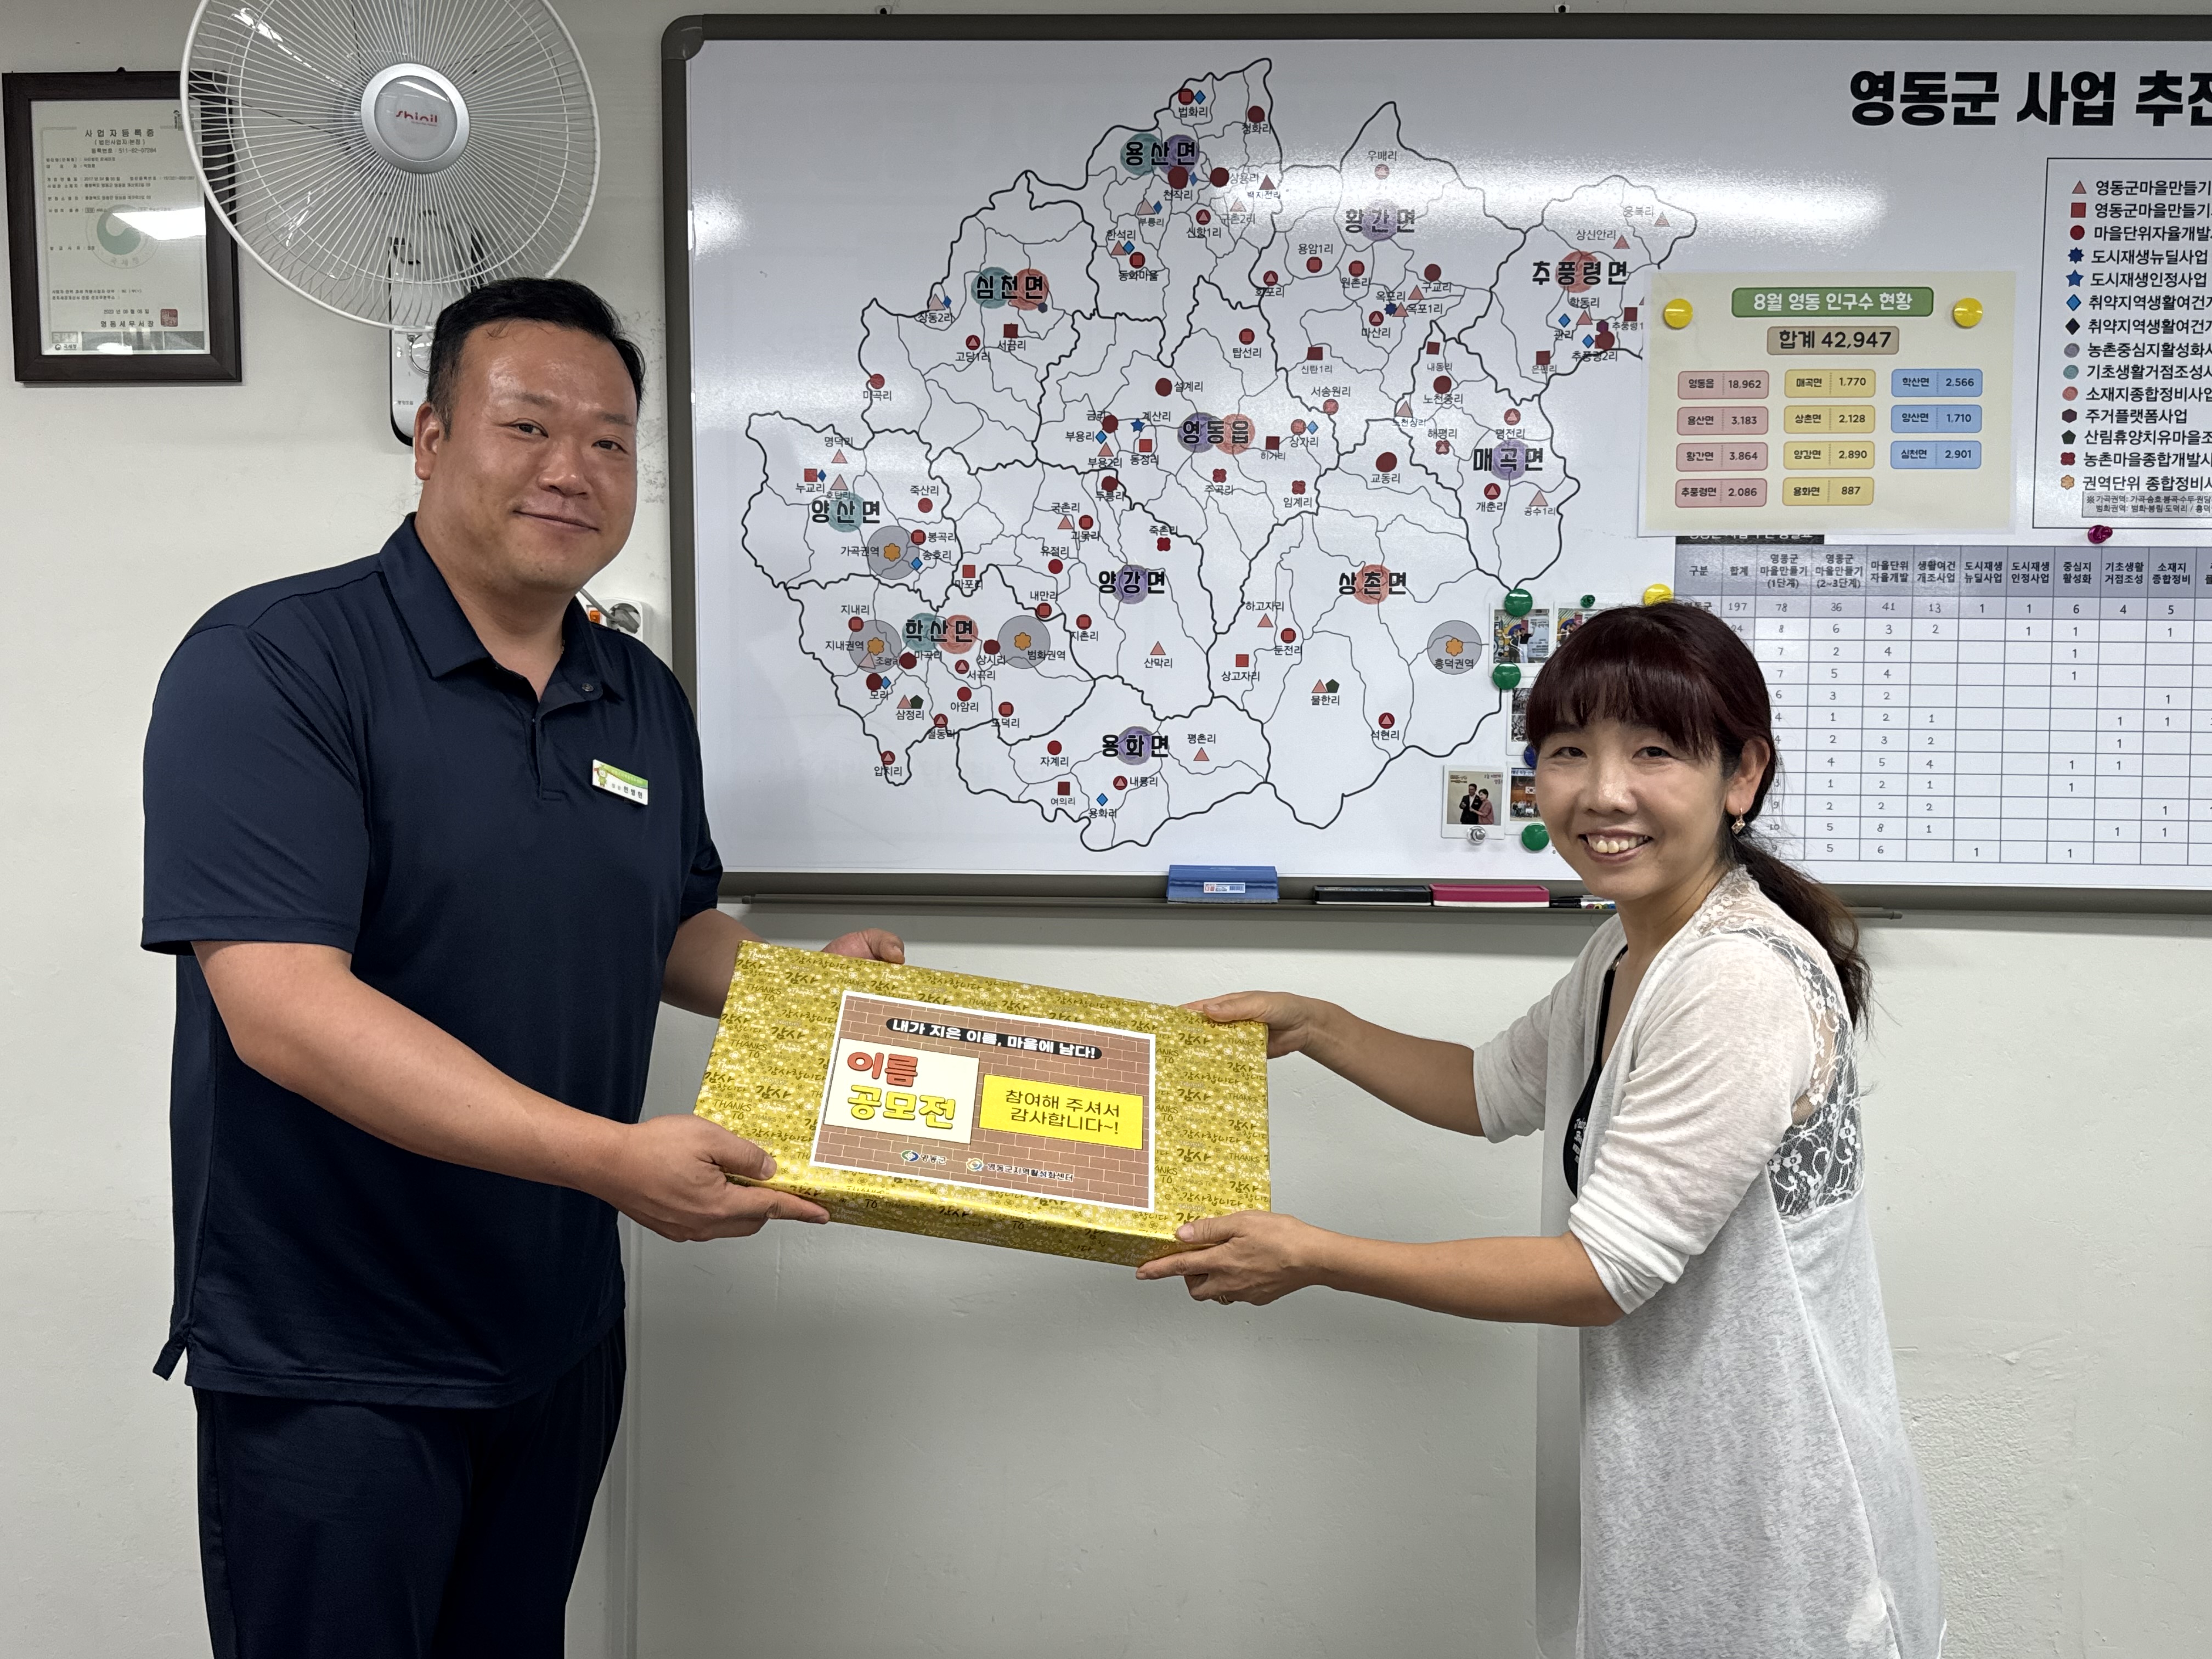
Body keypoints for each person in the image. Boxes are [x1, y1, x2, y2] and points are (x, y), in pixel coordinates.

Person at [141, 277, 902, 1658]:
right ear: (431, 438)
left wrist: (809, 992)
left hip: (553, 1327)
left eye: (609, 440)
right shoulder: (276, 661)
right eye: (530, 426)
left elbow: (665, 926)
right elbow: (285, 1012)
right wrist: (613, 1161)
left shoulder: (637, 692)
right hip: (338, 1351)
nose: (573, 469)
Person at [1141, 602, 1942, 1656]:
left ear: (1741, 776)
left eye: (1654, 751)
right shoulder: (1627, 950)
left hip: (1782, 1508)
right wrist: (1319, 1026)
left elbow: (1600, 1275)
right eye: (1568, 752)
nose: (1603, 793)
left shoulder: (1735, 978)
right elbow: (1489, 1089)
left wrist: (1316, 1257)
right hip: (1680, 1483)